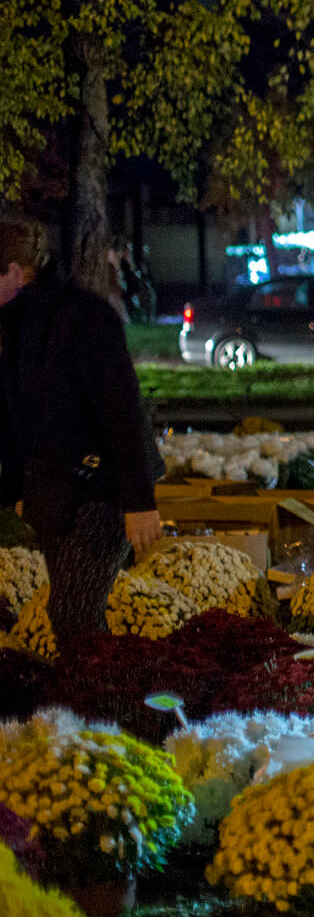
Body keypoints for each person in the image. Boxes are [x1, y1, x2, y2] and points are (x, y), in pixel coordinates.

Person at [0, 214, 164, 659]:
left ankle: (106, 693)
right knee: (71, 616)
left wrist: (139, 502)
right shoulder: (14, 326)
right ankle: (94, 692)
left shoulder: (83, 318)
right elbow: (12, 413)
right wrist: (16, 489)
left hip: (104, 488)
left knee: (74, 614)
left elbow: (123, 412)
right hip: (54, 492)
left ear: (15, 272)